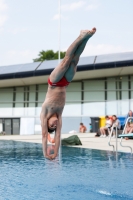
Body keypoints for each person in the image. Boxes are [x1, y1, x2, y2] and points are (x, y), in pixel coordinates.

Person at [40, 28, 96, 159]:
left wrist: (46, 153)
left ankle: (80, 36)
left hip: (54, 82)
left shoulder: (45, 114)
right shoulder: (59, 117)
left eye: (51, 126)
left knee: (66, 60)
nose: (54, 125)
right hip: (64, 82)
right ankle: (86, 38)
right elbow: (58, 135)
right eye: (55, 127)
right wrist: (56, 153)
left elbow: (44, 136)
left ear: (47, 123)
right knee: (75, 59)